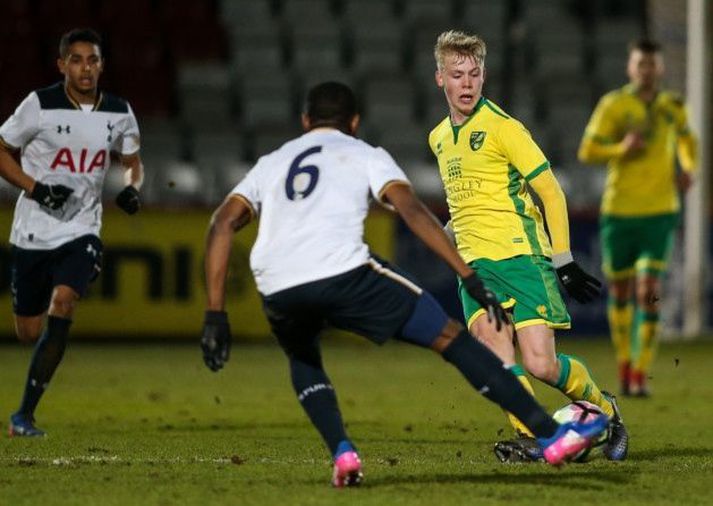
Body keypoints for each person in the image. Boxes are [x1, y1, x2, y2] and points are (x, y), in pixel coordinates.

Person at [200, 82, 608, 487]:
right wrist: (467, 274)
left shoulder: (272, 161)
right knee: (451, 338)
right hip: (342, 270)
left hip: (277, 281)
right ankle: (551, 436)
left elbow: (221, 223)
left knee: (303, 359)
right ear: (354, 123)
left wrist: (215, 312)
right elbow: (411, 210)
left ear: (305, 121)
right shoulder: (363, 153)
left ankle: (342, 452)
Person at [428, 30, 628, 462]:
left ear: (484, 77)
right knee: (496, 356)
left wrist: (564, 261)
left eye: (474, 74)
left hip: (522, 257)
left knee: (541, 365)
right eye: (457, 74)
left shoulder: (503, 128)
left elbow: (551, 192)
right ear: (439, 78)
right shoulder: (439, 138)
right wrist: (444, 239)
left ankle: (607, 411)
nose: (467, 84)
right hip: (476, 268)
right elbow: (463, 205)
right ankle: (535, 437)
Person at [0, 28, 143, 437]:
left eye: (93, 60)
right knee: (28, 332)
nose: (85, 68)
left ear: (102, 66)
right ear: (62, 64)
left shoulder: (119, 111)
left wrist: (132, 188)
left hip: (83, 228)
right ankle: (33, 385)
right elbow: (1, 150)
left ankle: (23, 415)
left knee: (64, 302)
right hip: (32, 233)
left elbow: (132, 160)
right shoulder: (38, 105)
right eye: (76, 60)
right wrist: (36, 188)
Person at [578, 38, 698, 397]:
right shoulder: (614, 105)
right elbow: (587, 150)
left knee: (649, 291)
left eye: (652, 64)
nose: (647, 70)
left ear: (660, 68)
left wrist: (689, 168)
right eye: (640, 64)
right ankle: (624, 364)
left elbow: (688, 143)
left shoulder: (673, 106)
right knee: (620, 291)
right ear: (631, 68)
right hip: (619, 212)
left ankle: (640, 372)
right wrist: (621, 148)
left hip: (660, 212)